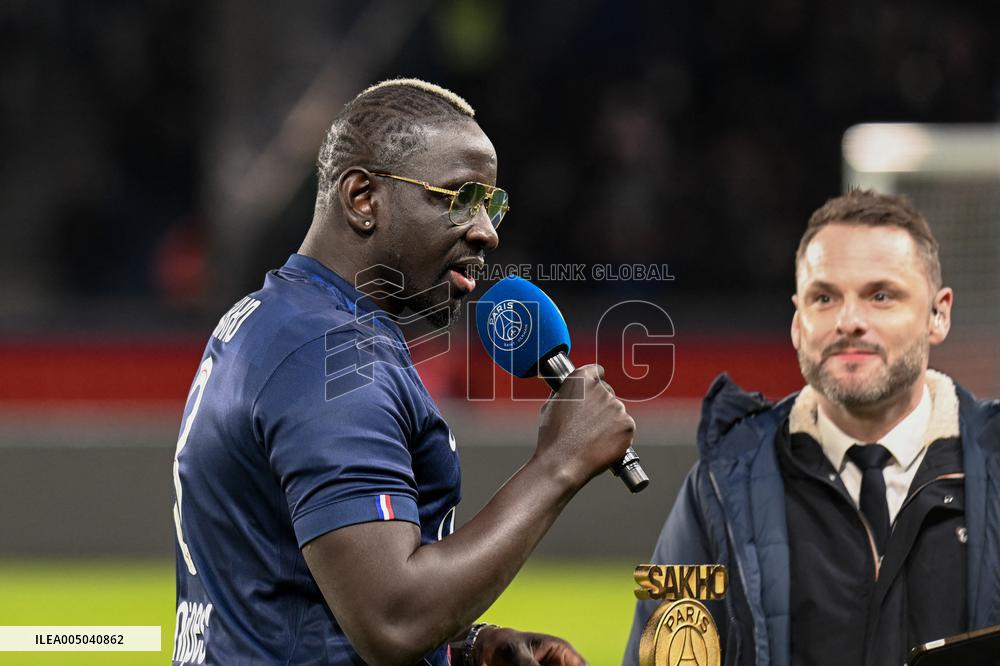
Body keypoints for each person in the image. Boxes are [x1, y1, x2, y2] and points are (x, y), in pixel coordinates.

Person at [171, 78, 636, 665]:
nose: (487, 230)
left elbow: (292, 585)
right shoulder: (332, 357)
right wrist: (558, 463)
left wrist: (463, 647)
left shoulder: (280, 319)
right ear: (363, 199)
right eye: (460, 197)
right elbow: (392, 619)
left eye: (491, 203)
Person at [623, 189, 1000, 666]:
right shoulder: (716, 488)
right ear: (798, 322)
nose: (849, 321)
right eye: (824, 297)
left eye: (880, 295)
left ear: (938, 314)